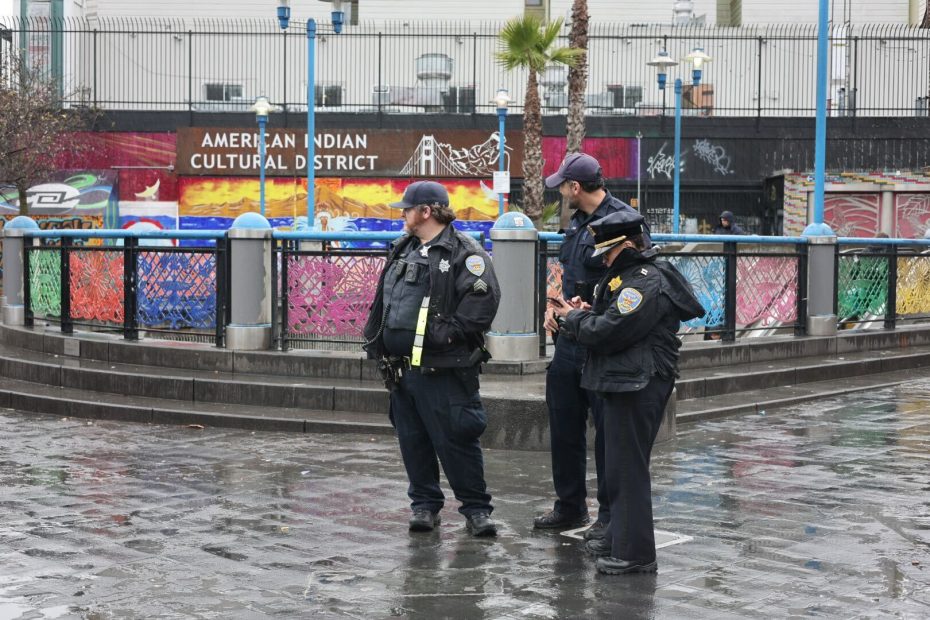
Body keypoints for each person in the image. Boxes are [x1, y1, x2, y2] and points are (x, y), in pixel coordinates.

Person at [549, 210, 704, 575]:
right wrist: (583, 314)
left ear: (628, 245)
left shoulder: (643, 281)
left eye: (608, 251)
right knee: (618, 469)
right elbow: (608, 321)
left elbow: (610, 330)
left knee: (627, 470)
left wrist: (573, 320)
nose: (602, 259)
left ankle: (635, 553)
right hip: (624, 380)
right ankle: (619, 536)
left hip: (637, 383)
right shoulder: (627, 277)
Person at [362, 180, 501, 537]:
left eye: (407, 209)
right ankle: (424, 505)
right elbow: (386, 301)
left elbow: (481, 303)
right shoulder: (403, 248)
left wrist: (443, 335)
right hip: (401, 370)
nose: (403, 215)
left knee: (456, 440)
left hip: (444, 370)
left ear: (426, 212)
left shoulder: (464, 253)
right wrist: (376, 341)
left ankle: (476, 510)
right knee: (413, 440)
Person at [534, 152, 646, 539]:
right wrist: (555, 309)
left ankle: (608, 516)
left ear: (575, 187)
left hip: (602, 342)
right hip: (569, 339)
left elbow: (637, 279)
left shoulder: (623, 221)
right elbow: (569, 278)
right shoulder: (577, 222)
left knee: (607, 433)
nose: (561, 191)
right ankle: (569, 507)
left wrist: (590, 309)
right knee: (563, 423)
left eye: (563, 185)